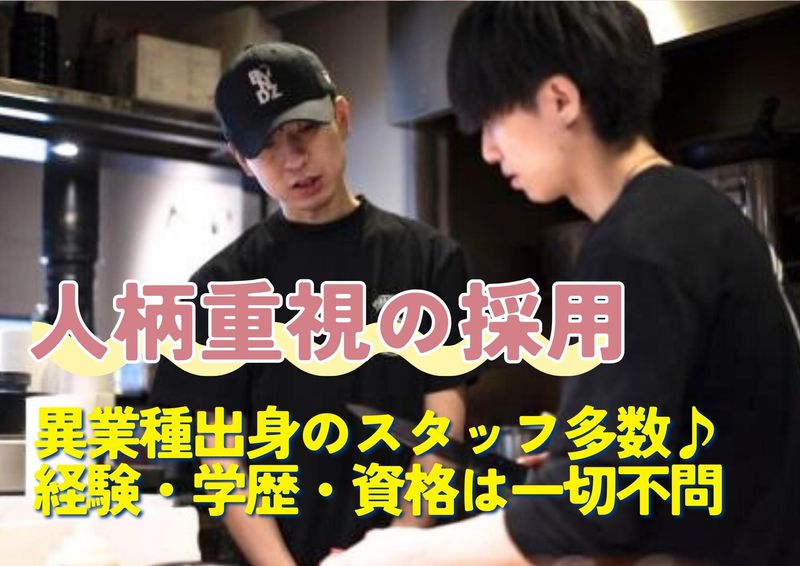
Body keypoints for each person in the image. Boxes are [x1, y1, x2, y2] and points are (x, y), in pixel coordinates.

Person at [322, 2, 800, 565]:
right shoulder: (691, 213)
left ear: (559, 100)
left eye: (493, 121)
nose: (488, 150)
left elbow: (592, 512)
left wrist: (397, 554)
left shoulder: (636, 246)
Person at [150, 42, 472, 566]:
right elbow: (221, 461)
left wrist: (396, 547)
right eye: (267, 146)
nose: (294, 159)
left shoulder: (429, 260)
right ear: (242, 161)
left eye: (305, 130)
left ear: (341, 117)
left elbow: (444, 420)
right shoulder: (218, 289)